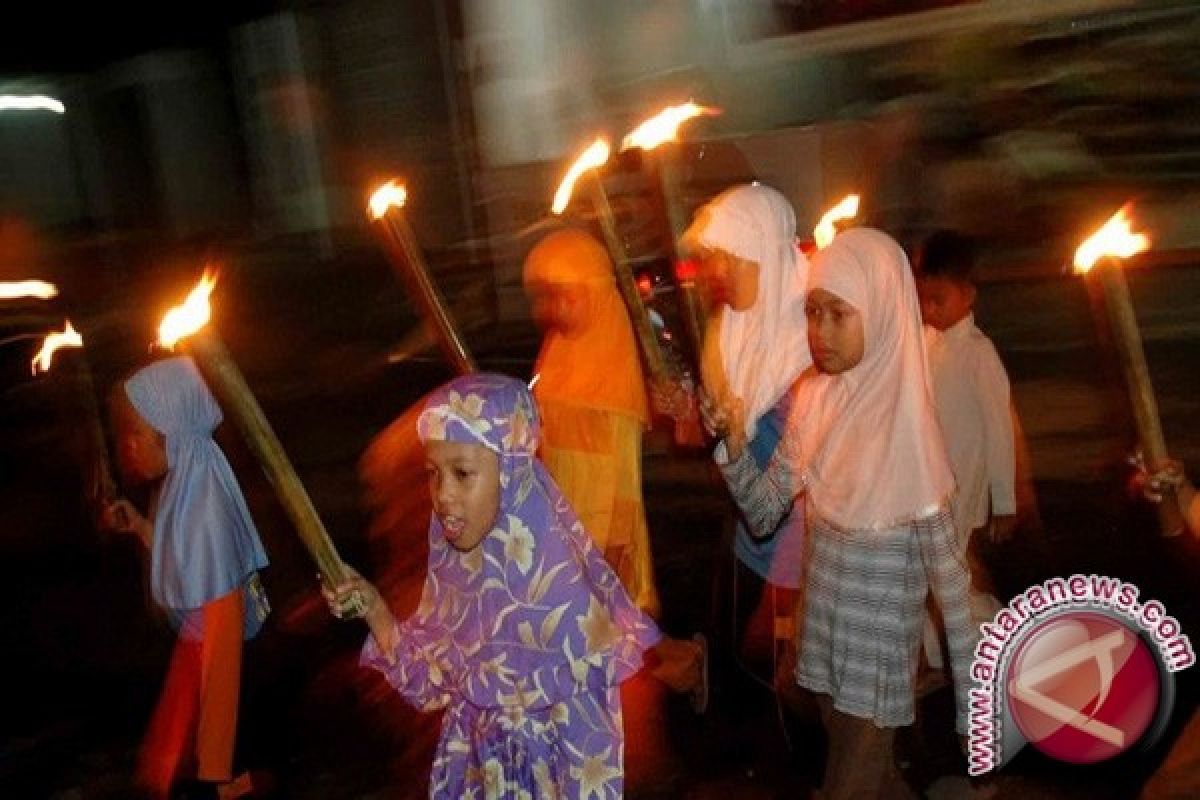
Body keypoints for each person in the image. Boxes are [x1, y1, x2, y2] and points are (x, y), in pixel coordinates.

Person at [709, 228, 978, 798]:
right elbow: (763, 511)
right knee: (876, 787)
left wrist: (972, 708)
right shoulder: (815, 400)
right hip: (820, 653)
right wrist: (731, 443)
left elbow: (952, 590)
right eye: (813, 312)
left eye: (839, 315)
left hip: (874, 678)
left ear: (881, 313)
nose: (820, 333)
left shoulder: (913, 442)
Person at [324, 373, 660, 798]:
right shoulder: (461, 583)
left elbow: (592, 777)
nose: (442, 494)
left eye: (463, 473)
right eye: (433, 474)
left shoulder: (568, 618)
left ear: (511, 476)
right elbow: (429, 687)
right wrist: (375, 609)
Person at [104, 356, 270, 800]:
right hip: (199, 658)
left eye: (138, 433)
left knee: (221, 782)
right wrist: (140, 525)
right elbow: (191, 563)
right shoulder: (187, 486)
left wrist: (217, 757)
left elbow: (223, 627)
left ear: (173, 434)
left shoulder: (206, 506)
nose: (131, 446)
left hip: (222, 680)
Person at [914, 230, 1021, 671]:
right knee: (924, 575)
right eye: (925, 299)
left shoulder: (980, 355)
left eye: (939, 299)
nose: (930, 309)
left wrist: (1006, 502)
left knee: (945, 577)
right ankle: (939, 658)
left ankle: (998, 641)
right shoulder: (926, 342)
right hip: (926, 484)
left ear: (968, 295)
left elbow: (999, 432)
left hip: (962, 488)